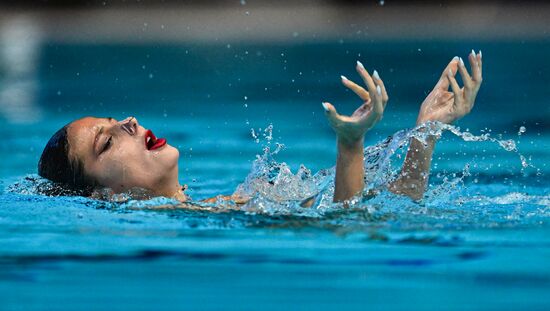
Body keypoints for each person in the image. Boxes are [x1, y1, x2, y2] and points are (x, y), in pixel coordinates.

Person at [38, 50, 482, 208]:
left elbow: (393, 210)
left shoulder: (227, 205)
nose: (129, 122)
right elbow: (353, 229)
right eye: (108, 139)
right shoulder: (199, 229)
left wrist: (426, 132)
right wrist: (350, 145)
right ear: (104, 195)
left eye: (119, 120)